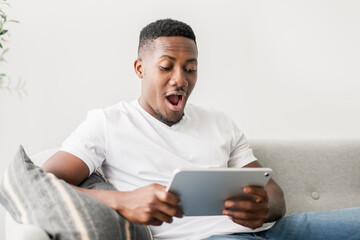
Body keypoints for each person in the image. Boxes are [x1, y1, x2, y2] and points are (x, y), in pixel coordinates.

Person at [43, 19, 360, 240]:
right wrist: (123, 201)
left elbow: (274, 194)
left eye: (190, 68)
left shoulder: (219, 121)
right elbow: (43, 182)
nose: (180, 79)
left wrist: (264, 208)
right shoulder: (108, 122)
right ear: (140, 68)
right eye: (166, 66)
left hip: (274, 231)